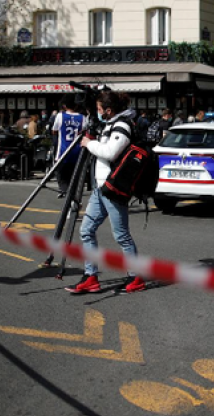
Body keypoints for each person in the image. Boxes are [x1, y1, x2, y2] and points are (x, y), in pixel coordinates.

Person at [67, 91, 144, 294]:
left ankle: (135, 277)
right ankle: (90, 276)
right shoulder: (109, 125)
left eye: (100, 109)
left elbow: (110, 152)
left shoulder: (123, 126)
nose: (97, 113)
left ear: (109, 111)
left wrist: (89, 143)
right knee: (86, 230)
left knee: (121, 236)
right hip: (100, 189)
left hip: (114, 189)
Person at [52, 95, 86, 199]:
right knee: (74, 176)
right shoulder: (82, 118)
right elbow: (84, 132)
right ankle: (73, 198)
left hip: (63, 151)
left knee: (60, 174)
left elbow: (54, 130)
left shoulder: (60, 116)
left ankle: (66, 193)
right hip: (77, 152)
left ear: (64, 105)